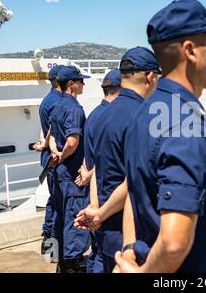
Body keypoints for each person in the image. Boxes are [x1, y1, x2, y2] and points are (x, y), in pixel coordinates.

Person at [113, 0, 206, 273]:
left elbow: (135, 194)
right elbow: (174, 243)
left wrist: (131, 247)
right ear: (190, 50)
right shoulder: (187, 124)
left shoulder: (142, 115)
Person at [74, 47, 160, 273]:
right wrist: (100, 214)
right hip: (130, 233)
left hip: (103, 228)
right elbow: (134, 181)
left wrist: (95, 208)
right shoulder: (145, 116)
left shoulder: (101, 115)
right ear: (151, 77)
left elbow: (97, 170)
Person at [75, 69, 122, 273]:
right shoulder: (117, 118)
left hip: (95, 195)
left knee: (98, 252)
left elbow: (90, 160)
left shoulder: (94, 116)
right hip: (114, 199)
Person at [49, 65, 90, 273]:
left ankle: (60, 263)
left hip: (59, 175)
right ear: (72, 84)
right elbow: (73, 142)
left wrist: (55, 153)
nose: (84, 84)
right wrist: (63, 156)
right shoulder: (74, 109)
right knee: (75, 220)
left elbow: (53, 136)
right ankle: (71, 267)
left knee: (60, 217)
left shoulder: (57, 106)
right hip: (72, 174)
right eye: (81, 81)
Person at [35, 64, 63, 256]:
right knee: (59, 206)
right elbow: (53, 130)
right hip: (57, 159)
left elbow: (44, 129)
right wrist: (46, 144)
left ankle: (49, 252)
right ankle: (53, 254)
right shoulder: (58, 102)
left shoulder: (47, 100)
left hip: (49, 160)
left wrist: (42, 143)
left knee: (53, 202)